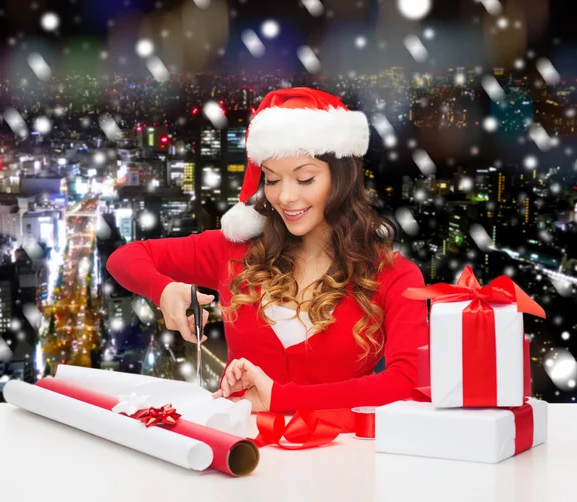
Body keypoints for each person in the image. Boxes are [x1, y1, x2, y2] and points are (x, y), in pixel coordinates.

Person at [106, 87, 428, 413]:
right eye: (272, 180)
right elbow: (125, 257)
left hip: (340, 460)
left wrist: (282, 399)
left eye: (304, 179)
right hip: (238, 455)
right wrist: (164, 290)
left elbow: (408, 381)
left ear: (342, 179)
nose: (285, 197)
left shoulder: (394, 275)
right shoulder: (234, 252)